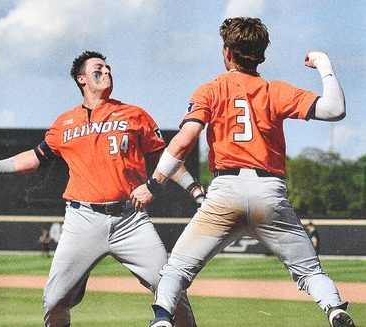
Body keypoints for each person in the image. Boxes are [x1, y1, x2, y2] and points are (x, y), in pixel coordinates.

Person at [131, 17, 356, 327]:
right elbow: (335, 109)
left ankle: (161, 320)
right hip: (269, 193)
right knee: (310, 273)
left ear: (227, 53)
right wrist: (324, 64)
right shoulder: (275, 91)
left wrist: (153, 185)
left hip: (225, 192)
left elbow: (184, 142)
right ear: (262, 54)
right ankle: (334, 308)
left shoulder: (211, 89)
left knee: (176, 270)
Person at [0, 51, 203, 327]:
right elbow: (35, 157)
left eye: (109, 67)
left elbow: (168, 159)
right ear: (81, 79)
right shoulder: (64, 123)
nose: (107, 71)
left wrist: (194, 189)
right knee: (54, 301)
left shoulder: (134, 115)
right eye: (99, 68)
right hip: (81, 219)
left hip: (130, 219)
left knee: (171, 291)